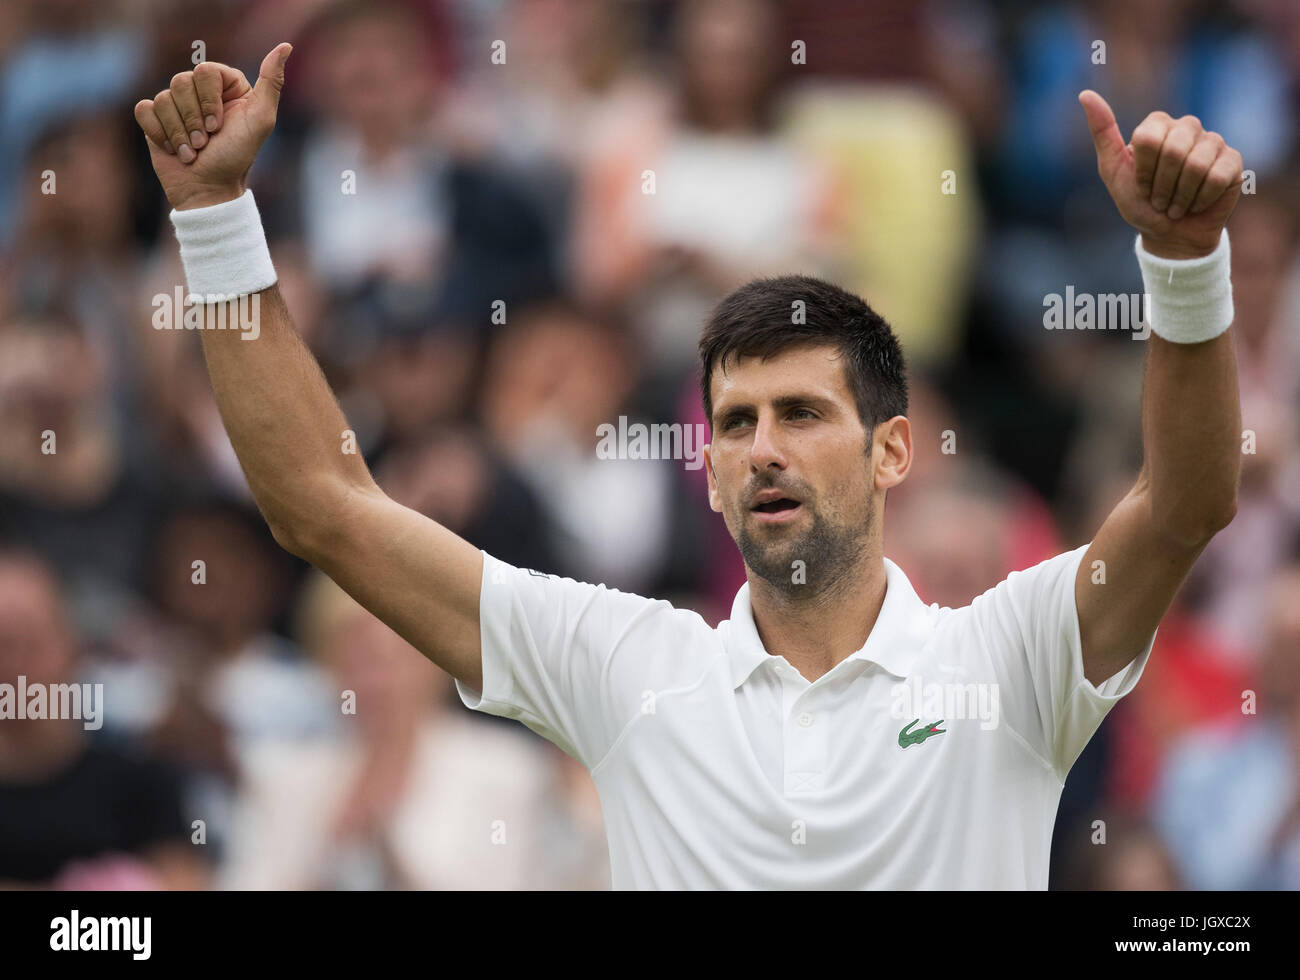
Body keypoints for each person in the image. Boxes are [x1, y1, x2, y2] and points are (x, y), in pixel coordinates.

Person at [130, 44, 1244, 888]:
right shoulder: (628, 665)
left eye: (802, 412)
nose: (762, 446)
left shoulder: (1009, 653)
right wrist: (216, 215)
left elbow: (1186, 502)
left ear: (893, 447)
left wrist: (1183, 266)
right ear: (704, 473)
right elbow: (322, 505)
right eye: (736, 422)